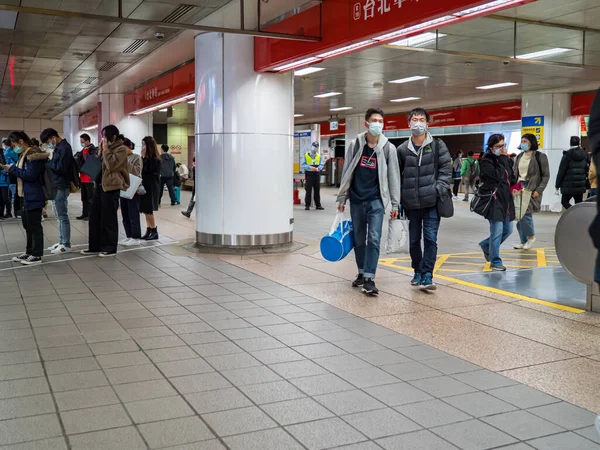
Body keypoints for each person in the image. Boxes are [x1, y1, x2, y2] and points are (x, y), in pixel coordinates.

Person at [337, 108, 400, 296]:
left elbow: (394, 177)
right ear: (366, 123)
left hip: (376, 201)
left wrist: (395, 204)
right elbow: (347, 171)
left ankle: (370, 278)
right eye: (374, 120)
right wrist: (342, 197)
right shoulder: (355, 144)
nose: (377, 124)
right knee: (359, 239)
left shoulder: (388, 148)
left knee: (373, 238)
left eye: (380, 120)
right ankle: (362, 272)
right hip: (356, 200)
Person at [398, 107, 452, 290]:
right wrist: (398, 200)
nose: (418, 123)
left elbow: (446, 170)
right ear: (409, 123)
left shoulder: (437, 145)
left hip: (432, 203)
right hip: (411, 203)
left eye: (421, 119)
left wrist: (437, 190)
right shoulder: (402, 149)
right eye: (415, 119)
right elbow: (396, 177)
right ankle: (417, 271)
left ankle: (428, 274)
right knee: (414, 240)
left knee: (430, 239)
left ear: (428, 124)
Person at [81, 125, 129, 257]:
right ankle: (94, 246)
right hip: (100, 185)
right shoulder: (104, 148)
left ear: (113, 137)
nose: (104, 139)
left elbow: (112, 165)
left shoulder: (122, 149)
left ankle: (110, 247)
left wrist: (106, 150)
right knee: (94, 215)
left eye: (105, 137)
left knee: (109, 218)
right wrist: (99, 153)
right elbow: (98, 164)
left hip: (112, 186)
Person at [2, 132, 48, 265]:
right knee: (27, 225)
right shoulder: (23, 154)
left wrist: (12, 170)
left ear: (21, 141)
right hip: (24, 195)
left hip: (33, 194)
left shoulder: (34, 154)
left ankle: (37, 254)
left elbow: (31, 175)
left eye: (15, 144)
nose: (15, 147)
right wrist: (11, 169)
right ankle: (29, 251)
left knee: (35, 225)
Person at [478, 134, 516, 271]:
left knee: (508, 229)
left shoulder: (505, 160)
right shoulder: (486, 160)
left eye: (503, 145)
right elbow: (497, 176)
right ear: (491, 147)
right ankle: (495, 261)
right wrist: (502, 159)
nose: (502, 148)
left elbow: (512, 178)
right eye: (498, 146)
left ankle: (486, 245)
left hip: (506, 200)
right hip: (494, 200)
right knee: (497, 231)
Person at [513, 134, 550, 250]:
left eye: (525, 141)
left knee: (526, 215)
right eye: (522, 141)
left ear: (532, 142)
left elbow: (546, 175)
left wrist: (539, 190)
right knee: (519, 215)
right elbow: (515, 173)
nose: (523, 143)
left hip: (531, 188)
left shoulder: (540, 156)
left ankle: (531, 237)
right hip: (519, 188)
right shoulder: (519, 156)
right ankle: (523, 240)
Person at [40, 128, 74, 254]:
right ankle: (61, 241)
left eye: (48, 141)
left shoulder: (64, 148)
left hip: (61, 184)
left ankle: (66, 243)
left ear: (53, 137)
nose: (49, 143)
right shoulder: (59, 148)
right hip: (57, 184)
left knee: (62, 215)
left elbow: (61, 167)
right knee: (59, 215)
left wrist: (48, 162)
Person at [120, 138, 143, 246]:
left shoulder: (136, 157)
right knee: (125, 214)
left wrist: (125, 161)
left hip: (133, 189)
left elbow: (137, 172)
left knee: (133, 213)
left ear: (129, 146)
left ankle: (136, 237)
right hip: (123, 187)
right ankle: (129, 235)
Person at [555, 136, 588, 210]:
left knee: (564, 201)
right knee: (579, 203)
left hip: (568, 185)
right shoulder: (585, 154)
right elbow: (587, 169)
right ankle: (578, 216)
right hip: (580, 184)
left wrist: (557, 185)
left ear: (570, 142)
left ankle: (572, 212)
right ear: (579, 143)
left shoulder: (567, 155)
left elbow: (561, 171)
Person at [140, 136, 161, 240]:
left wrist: (143, 158)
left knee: (149, 209)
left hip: (151, 186)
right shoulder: (146, 158)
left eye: (144, 144)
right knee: (145, 209)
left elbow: (147, 171)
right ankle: (148, 229)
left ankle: (154, 231)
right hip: (145, 185)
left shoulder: (155, 159)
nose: (142, 147)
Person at [77, 134, 97, 221]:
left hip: (89, 178)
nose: (81, 144)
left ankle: (90, 214)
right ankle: (84, 213)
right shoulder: (83, 149)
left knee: (90, 198)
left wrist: (85, 152)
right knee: (84, 197)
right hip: (83, 177)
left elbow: (89, 161)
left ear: (87, 141)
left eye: (82, 142)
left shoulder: (93, 149)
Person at [302, 141, 325, 210]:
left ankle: (318, 205)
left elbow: (321, 164)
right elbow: (303, 165)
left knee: (317, 190)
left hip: (317, 174)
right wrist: (310, 168)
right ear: (311, 146)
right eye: (314, 146)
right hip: (309, 174)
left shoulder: (318, 156)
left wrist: (318, 168)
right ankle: (307, 205)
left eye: (316, 147)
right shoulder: (306, 155)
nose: (315, 148)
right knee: (308, 190)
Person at [3, 139, 18, 218]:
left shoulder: (11, 152)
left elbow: (6, 153)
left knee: (12, 196)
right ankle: (14, 212)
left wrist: (9, 147)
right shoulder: (13, 152)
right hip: (12, 176)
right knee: (12, 196)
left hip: (12, 176)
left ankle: (12, 212)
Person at [0, 144, 11, 220]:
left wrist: (2, 169)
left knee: (5, 198)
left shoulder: (6, 158)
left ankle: (8, 212)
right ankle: (1, 214)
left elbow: (8, 169)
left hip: (4, 182)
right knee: (0, 199)